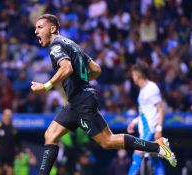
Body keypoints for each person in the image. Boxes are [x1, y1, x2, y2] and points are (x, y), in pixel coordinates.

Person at [31, 14, 177, 175]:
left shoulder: (55, 46)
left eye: (40, 27)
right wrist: (82, 80)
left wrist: (46, 86)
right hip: (78, 101)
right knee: (50, 135)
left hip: (81, 102)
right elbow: (96, 69)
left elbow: (66, 68)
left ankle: (157, 147)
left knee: (108, 141)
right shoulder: (72, 44)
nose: (36, 31)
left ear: (52, 29)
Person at [127, 63, 166, 175]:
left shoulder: (151, 88)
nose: (132, 77)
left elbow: (161, 109)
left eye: (133, 75)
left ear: (137, 75)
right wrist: (134, 121)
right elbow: (145, 112)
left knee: (137, 155)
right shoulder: (143, 91)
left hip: (150, 130)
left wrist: (159, 129)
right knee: (155, 159)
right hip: (146, 129)